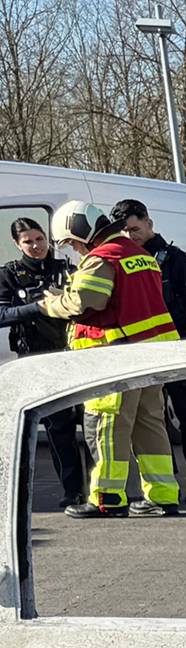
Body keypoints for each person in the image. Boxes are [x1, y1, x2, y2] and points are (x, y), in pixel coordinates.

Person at [43, 200, 180, 517]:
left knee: (106, 428)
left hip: (115, 359)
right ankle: (162, 495)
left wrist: (51, 304)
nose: (75, 250)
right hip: (152, 358)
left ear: (82, 231)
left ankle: (107, 498)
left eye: (72, 242)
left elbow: (87, 301)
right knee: (149, 425)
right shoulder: (140, 255)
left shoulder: (102, 257)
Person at [114, 200, 186, 503]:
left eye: (135, 229)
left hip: (179, 354)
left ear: (148, 223)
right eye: (124, 232)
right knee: (151, 423)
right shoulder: (122, 263)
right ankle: (165, 485)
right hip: (143, 358)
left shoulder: (177, 261)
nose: (131, 236)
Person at [0, 217, 85, 512]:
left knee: (91, 425)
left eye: (39, 239)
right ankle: (72, 491)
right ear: (17, 244)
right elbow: (2, 314)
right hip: (37, 359)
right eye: (28, 242)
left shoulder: (68, 270)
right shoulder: (9, 275)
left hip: (74, 353)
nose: (36, 246)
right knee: (57, 427)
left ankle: (99, 489)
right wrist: (36, 307)